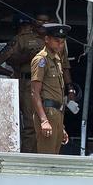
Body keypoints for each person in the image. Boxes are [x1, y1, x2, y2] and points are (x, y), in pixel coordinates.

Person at [0, 10, 75, 152]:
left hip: (52, 91)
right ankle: (28, 162)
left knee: (54, 132)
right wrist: (13, 71)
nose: (42, 23)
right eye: (39, 20)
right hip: (29, 83)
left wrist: (70, 88)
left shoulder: (57, 48)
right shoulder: (24, 39)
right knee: (31, 127)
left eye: (46, 21)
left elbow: (65, 67)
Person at [30, 22, 72, 154]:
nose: (60, 44)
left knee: (54, 158)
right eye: (57, 41)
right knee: (46, 158)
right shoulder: (41, 60)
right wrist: (44, 121)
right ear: (47, 39)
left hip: (57, 113)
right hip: (47, 112)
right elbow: (34, 93)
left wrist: (61, 127)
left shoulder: (57, 60)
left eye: (62, 42)